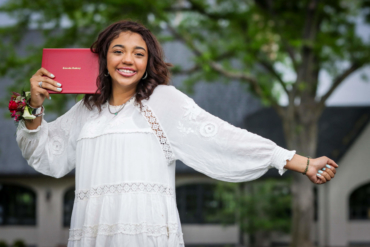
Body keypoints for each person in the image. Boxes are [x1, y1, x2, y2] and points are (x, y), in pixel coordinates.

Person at [15, 20, 338, 247]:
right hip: (93, 233)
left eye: (138, 53)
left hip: (145, 234)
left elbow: (224, 137)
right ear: (103, 58)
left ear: (148, 61)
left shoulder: (162, 101)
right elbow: (49, 156)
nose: (128, 59)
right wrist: (34, 106)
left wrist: (299, 161)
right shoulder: (87, 110)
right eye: (118, 51)